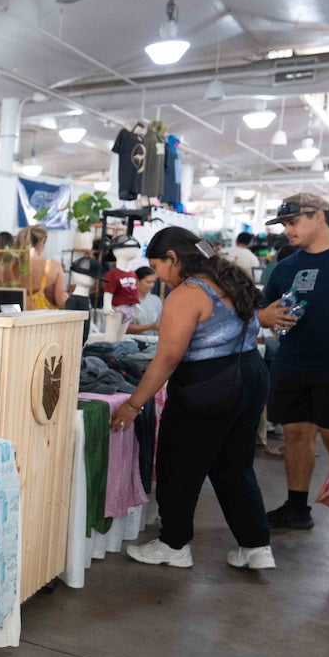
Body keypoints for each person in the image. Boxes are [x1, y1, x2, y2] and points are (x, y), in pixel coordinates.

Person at [113, 227, 273, 570]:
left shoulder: (187, 294)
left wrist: (132, 403)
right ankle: (255, 545)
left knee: (178, 464)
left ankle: (173, 544)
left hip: (209, 384)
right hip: (251, 375)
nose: (156, 276)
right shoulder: (233, 280)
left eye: (157, 266)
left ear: (173, 257)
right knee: (235, 465)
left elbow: (167, 358)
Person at [256, 194, 329, 537]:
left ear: (320, 217)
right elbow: (264, 311)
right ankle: (296, 507)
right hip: (293, 362)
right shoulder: (286, 267)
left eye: (293, 222)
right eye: (283, 224)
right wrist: (265, 316)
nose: (287, 230)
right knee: (295, 433)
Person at [17, 225, 65, 309]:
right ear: (41, 242)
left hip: (19, 320)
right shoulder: (54, 267)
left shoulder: (11, 267)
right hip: (47, 321)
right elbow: (60, 302)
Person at [125, 266, 162, 336]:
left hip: (152, 341)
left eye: (153, 282)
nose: (151, 285)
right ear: (137, 281)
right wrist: (151, 326)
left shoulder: (156, 300)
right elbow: (124, 327)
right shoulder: (127, 301)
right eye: (148, 282)